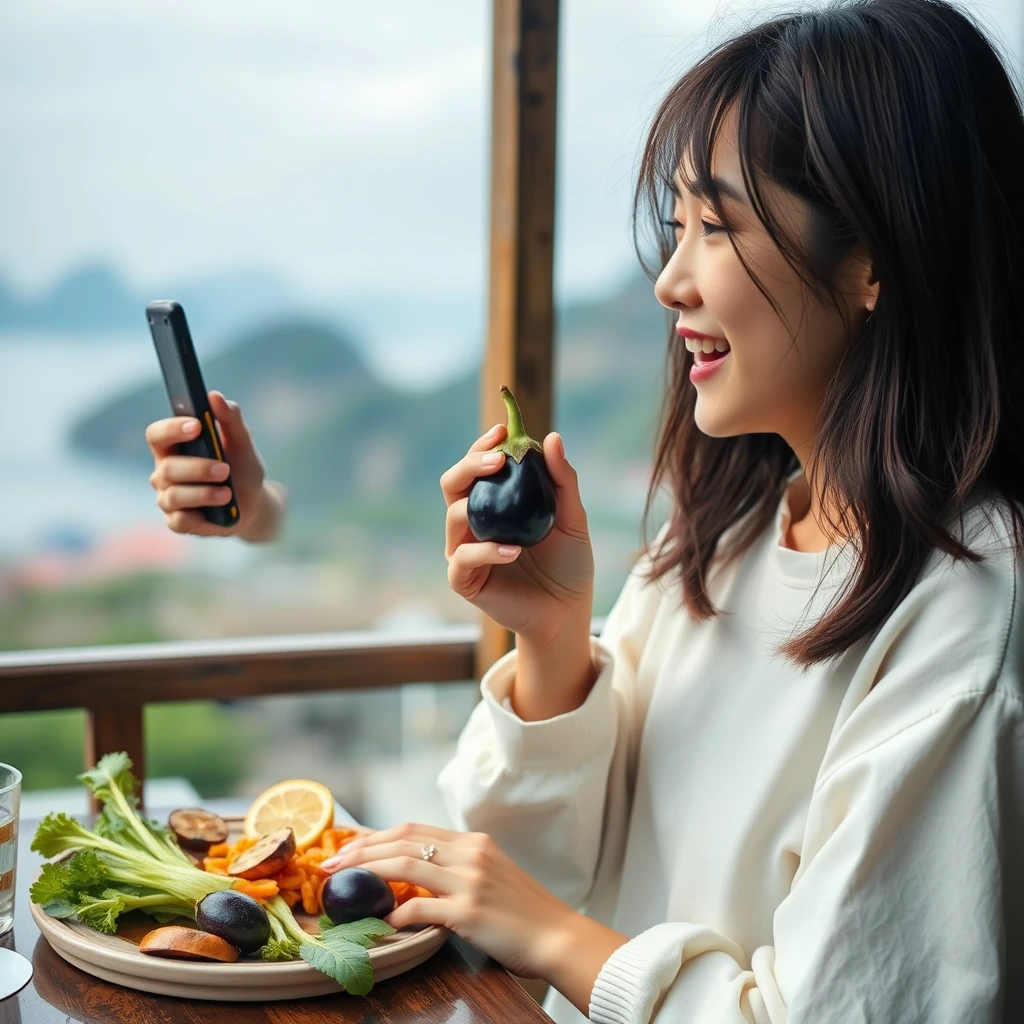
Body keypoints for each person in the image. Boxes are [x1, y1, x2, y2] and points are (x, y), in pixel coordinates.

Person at [147, 0, 1024, 1019]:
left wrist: (557, 934)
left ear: (871, 259)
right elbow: (529, 875)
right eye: (675, 225)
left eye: (714, 225)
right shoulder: (725, 540)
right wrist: (553, 638)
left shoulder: (965, 618)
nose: (669, 280)